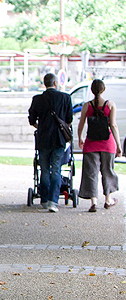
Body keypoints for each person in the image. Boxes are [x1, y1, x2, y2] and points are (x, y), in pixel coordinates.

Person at [28, 73, 73, 212]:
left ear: (44, 84)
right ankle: (54, 202)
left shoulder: (38, 99)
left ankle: (44, 200)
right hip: (58, 139)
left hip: (43, 139)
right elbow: (69, 119)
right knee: (56, 170)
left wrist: (40, 127)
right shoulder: (65, 98)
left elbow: (31, 120)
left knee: (45, 170)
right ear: (55, 83)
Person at [78, 79, 122, 212]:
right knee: (107, 170)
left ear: (92, 90)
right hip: (107, 144)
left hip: (91, 144)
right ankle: (108, 200)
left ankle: (94, 202)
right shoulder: (110, 104)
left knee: (91, 173)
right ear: (103, 90)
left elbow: (81, 124)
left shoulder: (87, 105)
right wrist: (119, 146)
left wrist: (80, 138)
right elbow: (113, 125)